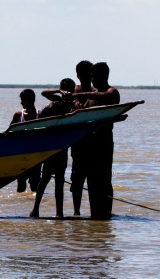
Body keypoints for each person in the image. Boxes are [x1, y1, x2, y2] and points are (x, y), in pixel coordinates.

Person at [79, 61, 121, 219]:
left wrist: (80, 94)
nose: (91, 79)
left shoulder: (111, 92)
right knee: (92, 180)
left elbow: (106, 98)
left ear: (103, 75)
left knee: (104, 178)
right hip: (89, 142)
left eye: (93, 75)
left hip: (103, 141)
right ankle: (95, 215)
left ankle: (106, 214)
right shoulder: (90, 97)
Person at [31, 78, 76, 219]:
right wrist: (59, 91)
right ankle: (46, 211)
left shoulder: (73, 105)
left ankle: (55, 212)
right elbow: (44, 93)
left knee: (54, 181)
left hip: (59, 147)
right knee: (47, 179)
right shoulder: (58, 103)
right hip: (54, 147)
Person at [68, 60, 96, 215]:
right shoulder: (74, 90)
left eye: (89, 73)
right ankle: (76, 212)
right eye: (82, 73)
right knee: (77, 179)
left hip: (93, 142)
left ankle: (94, 212)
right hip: (78, 142)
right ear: (77, 74)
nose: (86, 76)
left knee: (92, 179)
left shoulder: (95, 91)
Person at [10, 88, 39, 193]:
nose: (21, 102)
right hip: (21, 157)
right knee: (21, 187)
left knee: (35, 186)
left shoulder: (39, 115)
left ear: (31, 100)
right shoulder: (18, 115)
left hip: (36, 157)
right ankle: (20, 208)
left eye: (23, 100)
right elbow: (9, 133)